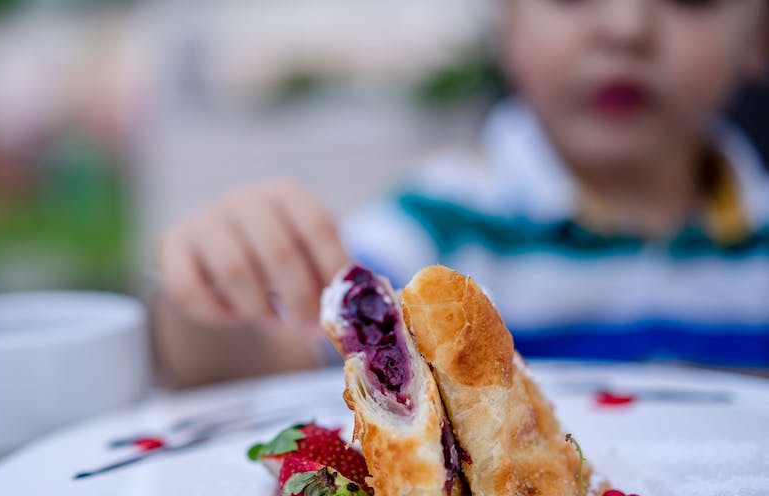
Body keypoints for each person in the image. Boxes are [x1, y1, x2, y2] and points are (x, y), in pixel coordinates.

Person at [153, 0, 769, 388]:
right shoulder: (439, 224)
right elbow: (268, 362)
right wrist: (213, 285)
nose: (627, 26)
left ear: (759, 36)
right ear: (506, 27)